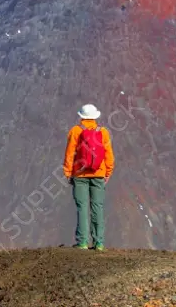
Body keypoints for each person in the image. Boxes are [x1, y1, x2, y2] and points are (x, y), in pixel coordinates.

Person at [63, 103, 115, 250]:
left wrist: (68, 173)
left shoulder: (75, 131)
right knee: (97, 206)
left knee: (82, 207)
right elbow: (109, 155)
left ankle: (83, 242)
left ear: (81, 117)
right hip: (99, 174)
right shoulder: (103, 132)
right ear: (95, 117)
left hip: (79, 174)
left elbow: (69, 154)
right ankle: (99, 243)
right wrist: (107, 172)